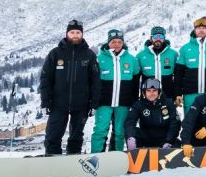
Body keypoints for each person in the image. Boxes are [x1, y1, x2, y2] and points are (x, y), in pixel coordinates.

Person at [39, 19, 101, 155]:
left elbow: (96, 81)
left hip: (81, 104)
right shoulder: (55, 53)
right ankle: (51, 158)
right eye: (72, 32)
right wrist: (45, 101)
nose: (75, 35)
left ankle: (74, 160)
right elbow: (45, 79)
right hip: (58, 103)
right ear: (67, 33)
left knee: (76, 136)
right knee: (53, 134)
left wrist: (94, 104)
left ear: (82, 34)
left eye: (78, 32)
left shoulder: (89, 55)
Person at [92, 29, 140, 152]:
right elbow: (93, 82)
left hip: (123, 103)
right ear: (108, 43)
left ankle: (117, 156)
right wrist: (94, 101)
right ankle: (94, 157)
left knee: (120, 132)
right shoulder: (99, 59)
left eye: (119, 42)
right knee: (100, 131)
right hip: (104, 102)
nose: (117, 44)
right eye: (113, 42)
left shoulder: (131, 59)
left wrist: (134, 101)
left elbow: (135, 83)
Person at [174, 17, 206, 114]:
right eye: (198, 28)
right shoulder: (185, 49)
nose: (201, 30)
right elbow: (178, 74)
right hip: (190, 94)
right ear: (194, 29)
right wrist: (178, 94)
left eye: (204, 28)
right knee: (190, 124)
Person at [123, 78, 181, 150]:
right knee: (133, 132)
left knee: (177, 144)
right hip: (146, 136)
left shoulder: (168, 103)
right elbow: (129, 122)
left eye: (154, 91)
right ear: (144, 92)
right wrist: (130, 137)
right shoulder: (138, 105)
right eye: (148, 91)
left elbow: (175, 123)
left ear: (159, 92)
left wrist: (168, 140)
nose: (151, 93)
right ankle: (135, 153)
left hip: (164, 137)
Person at [136, 26, 178, 99]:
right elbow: (135, 80)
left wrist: (177, 94)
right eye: (155, 36)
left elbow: (178, 76)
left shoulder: (173, 54)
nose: (158, 39)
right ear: (151, 38)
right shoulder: (140, 56)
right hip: (147, 97)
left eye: (161, 36)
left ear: (164, 38)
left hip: (168, 97)